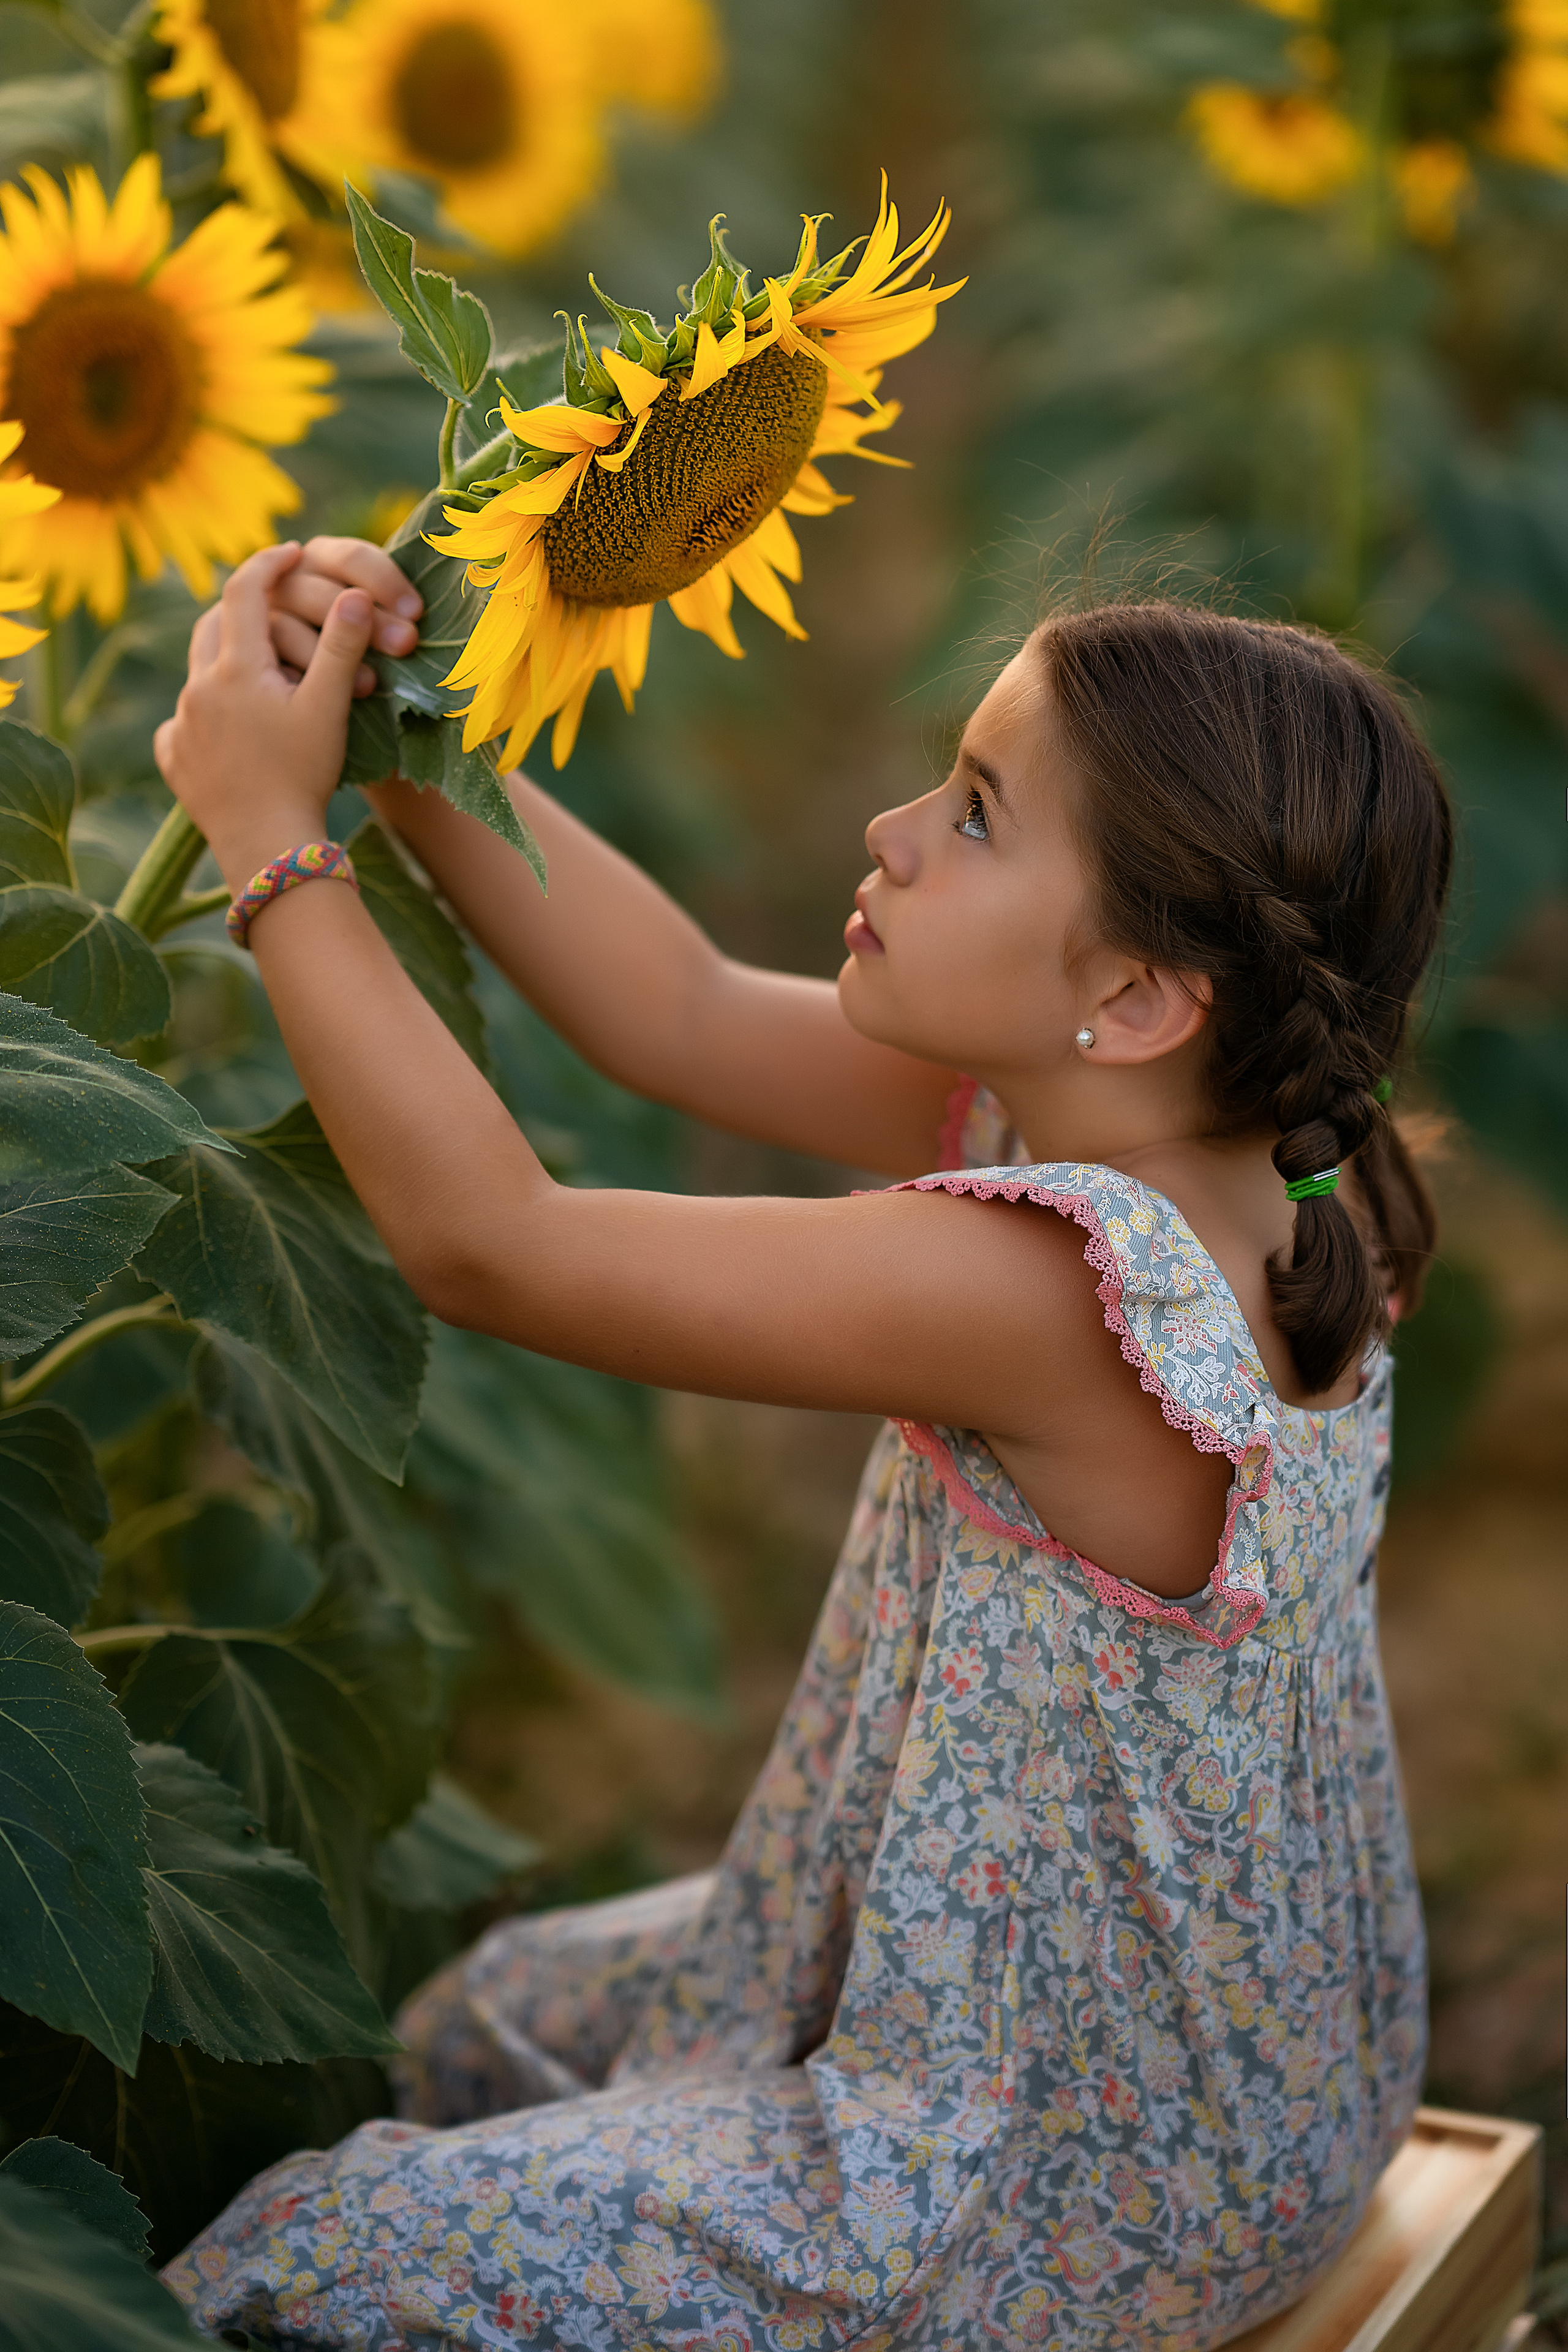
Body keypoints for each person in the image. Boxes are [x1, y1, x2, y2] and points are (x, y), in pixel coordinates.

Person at [157, 537, 1447, 2351]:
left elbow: (492, 1246)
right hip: (1233, 2051)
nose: (891, 831)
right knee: (496, 2016)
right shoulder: (1272, 1158)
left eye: (977, 815)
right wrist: (401, 736)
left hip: (1064, 2172)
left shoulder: (1062, 1294)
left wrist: (270, 843)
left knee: (311, 2255)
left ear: (1141, 995)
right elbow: (673, 1007)